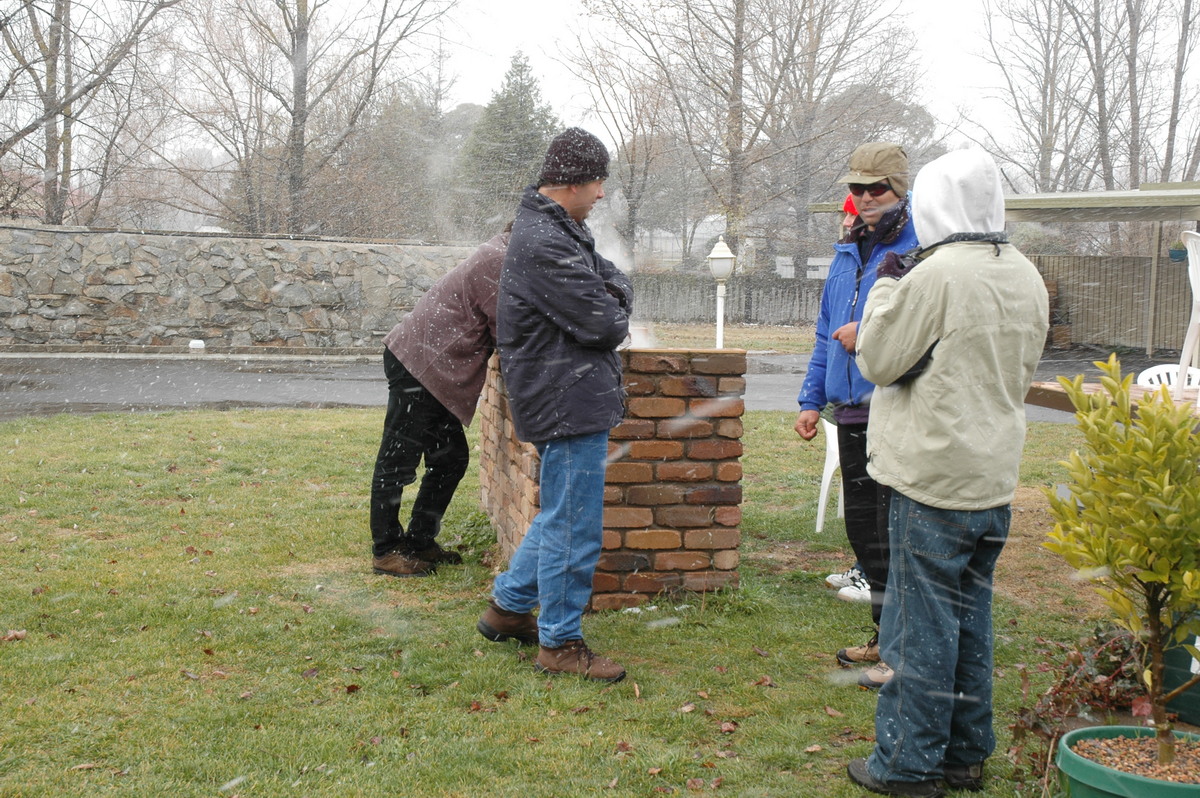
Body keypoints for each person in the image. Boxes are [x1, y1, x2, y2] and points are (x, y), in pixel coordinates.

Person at [846, 149, 1049, 797]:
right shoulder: (1024, 273)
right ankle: (964, 753)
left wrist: (884, 284)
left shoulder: (935, 277)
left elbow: (878, 358)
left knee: (919, 626)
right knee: (969, 622)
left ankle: (907, 763)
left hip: (933, 482)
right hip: (991, 480)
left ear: (933, 204)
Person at [476, 127, 632, 683]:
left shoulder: (556, 230)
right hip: (567, 400)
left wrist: (612, 291)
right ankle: (560, 644)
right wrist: (614, 300)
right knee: (575, 525)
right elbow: (606, 321)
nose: (601, 195)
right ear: (575, 182)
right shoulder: (546, 239)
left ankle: (508, 609)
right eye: (598, 183)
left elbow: (611, 283)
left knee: (560, 514)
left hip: (566, 395)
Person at [794, 143, 918, 688]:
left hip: (893, 410)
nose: (865, 198)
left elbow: (912, 334)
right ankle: (883, 637)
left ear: (900, 189)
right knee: (866, 534)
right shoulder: (847, 253)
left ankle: (904, 651)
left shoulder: (920, 251)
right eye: (856, 189)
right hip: (848, 414)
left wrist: (864, 339)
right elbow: (825, 335)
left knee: (896, 536)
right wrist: (808, 400)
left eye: (877, 189)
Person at [368, 230, 509, 577]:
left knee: (450, 459)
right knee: (398, 461)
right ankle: (386, 551)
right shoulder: (499, 259)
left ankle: (419, 541)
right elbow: (507, 328)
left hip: (431, 366)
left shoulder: (504, 253)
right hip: (420, 365)